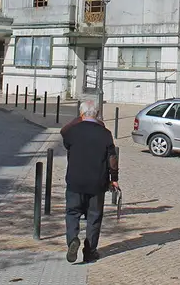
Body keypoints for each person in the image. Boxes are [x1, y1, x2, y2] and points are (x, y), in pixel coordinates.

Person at [60, 99, 119, 263]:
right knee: (94, 217)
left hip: (75, 181)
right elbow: (112, 159)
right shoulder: (105, 133)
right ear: (98, 114)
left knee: (72, 213)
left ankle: (73, 239)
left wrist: (78, 119)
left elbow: (63, 133)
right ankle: (89, 251)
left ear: (80, 114)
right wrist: (114, 179)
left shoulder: (73, 131)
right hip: (97, 183)